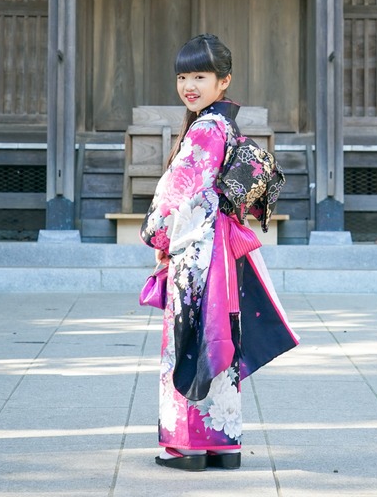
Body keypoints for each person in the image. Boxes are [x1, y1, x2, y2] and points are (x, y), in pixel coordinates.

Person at [141, 33, 298, 472]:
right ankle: (223, 444)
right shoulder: (227, 127)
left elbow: (178, 192)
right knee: (220, 338)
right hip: (223, 253)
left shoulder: (205, 129)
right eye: (183, 76)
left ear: (223, 81)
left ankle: (186, 447)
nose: (190, 85)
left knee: (189, 339)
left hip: (196, 253)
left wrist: (157, 236)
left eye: (201, 76)